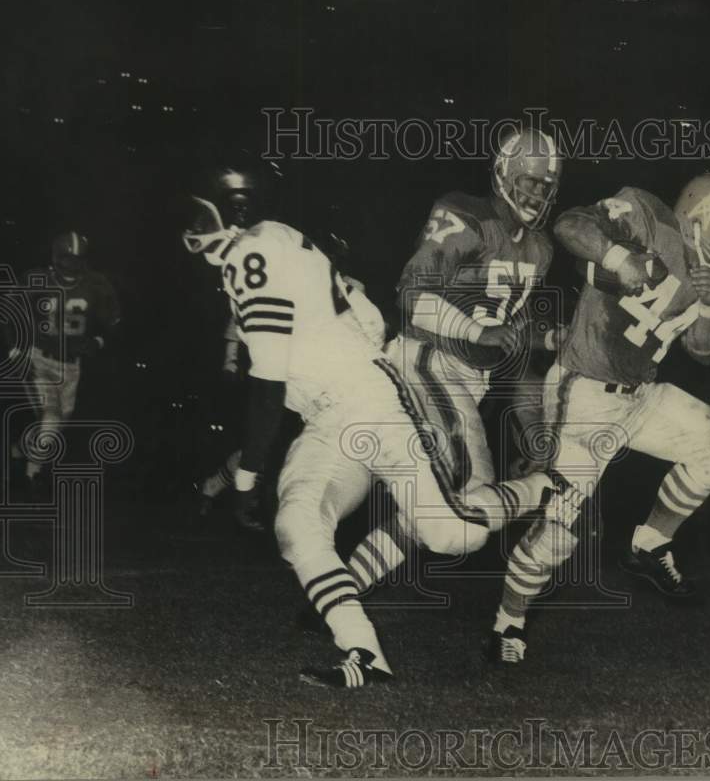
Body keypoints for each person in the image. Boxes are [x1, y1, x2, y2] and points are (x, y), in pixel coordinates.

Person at [181, 167, 555, 688]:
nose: (193, 228)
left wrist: (245, 476)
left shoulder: (253, 251)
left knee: (454, 534)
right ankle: (363, 650)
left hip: (370, 402)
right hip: (332, 414)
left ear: (233, 209)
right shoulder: (284, 242)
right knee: (297, 522)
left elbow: (267, 381)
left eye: (202, 213)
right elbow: (369, 321)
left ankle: (544, 488)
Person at [487, 173, 710, 665]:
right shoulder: (648, 217)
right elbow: (570, 224)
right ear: (705, 218)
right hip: (585, 390)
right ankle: (509, 620)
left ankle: (649, 544)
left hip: (642, 394)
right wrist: (618, 257)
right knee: (560, 530)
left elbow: (703, 351)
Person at [345, 127, 568, 596]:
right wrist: (476, 331)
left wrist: (549, 338)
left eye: (544, 185)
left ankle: (338, 592)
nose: (535, 192)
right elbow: (410, 295)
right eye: (528, 180)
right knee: (467, 513)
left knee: (434, 513)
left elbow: (507, 331)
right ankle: (545, 488)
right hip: (428, 361)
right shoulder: (465, 213)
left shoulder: (540, 248)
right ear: (503, 174)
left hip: (467, 381)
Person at [8, 231, 120, 496]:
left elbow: (114, 322)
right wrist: (16, 348)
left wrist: (98, 341)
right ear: (56, 259)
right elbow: (9, 311)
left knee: (54, 429)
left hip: (72, 367)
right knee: (51, 419)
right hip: (40, 360)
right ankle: (31, 477)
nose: (71, 267)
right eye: (67, 260)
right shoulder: (38, 279)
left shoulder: (96, 285)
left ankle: (19, 450)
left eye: (76, 261)